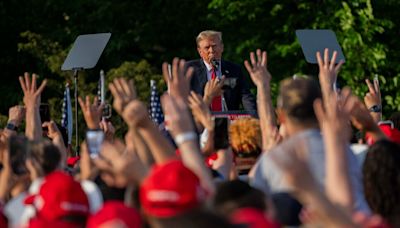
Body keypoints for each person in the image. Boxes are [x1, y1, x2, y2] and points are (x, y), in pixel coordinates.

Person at [185, 30, 256, 112]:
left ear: (222, 47)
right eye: (207, 47)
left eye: (214, 46)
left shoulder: (234, 70)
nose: (211, 50)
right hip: (201, 119)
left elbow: (246, 97)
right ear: (200, 51)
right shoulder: (189, 70)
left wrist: (253, 118)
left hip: (228, 120)